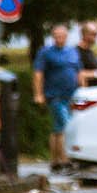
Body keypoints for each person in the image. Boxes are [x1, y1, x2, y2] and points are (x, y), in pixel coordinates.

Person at [32, 24, 85, 176]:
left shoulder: (72, 52)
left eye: (62, 36)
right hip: (55, 95)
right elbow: (38, 74)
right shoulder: (46, 52)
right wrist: (38, 93)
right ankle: (65, 160)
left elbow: (79, 72)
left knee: (57, 129)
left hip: (72, 95)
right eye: (56, 36)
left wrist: (83, 89)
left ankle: (55, 161)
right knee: (64, 125)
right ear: (53, 37)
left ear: (66, 36)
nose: (59, 38)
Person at [76, 23, 97, 88]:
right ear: (84, 35)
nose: (96, 37)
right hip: (89, 95)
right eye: (94, 34)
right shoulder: (76, 52)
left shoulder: (90, 51)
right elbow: (80, 75)